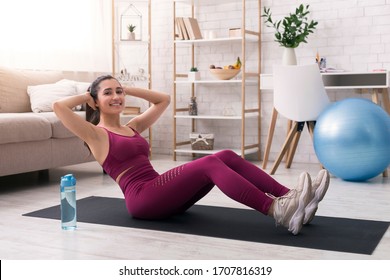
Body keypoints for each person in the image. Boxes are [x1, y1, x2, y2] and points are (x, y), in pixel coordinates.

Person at [53, 75, 330, 235]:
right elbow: (58, 106)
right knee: (209, 162)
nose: (116, 97)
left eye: (119, 92)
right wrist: (86, 94)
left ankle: (288, 197)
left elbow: (163, 99)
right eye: (108, 93)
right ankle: (277, 211)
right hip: (143, 200)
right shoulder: (96, 134)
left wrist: (125, 87)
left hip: (158, 191)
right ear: (95, 100)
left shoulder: (132, 127)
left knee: (226, 155)